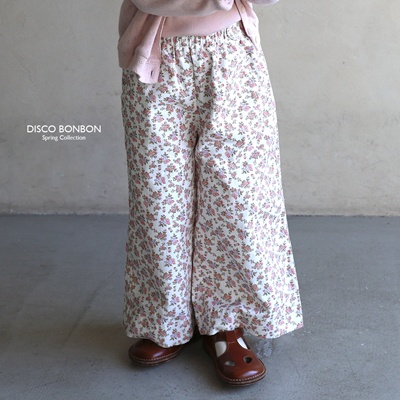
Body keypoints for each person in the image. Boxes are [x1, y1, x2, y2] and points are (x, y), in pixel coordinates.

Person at [118, 0, 303, 386]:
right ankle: (165, 319)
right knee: (159, 200)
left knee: (237, 200)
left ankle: (224, 322)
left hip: (230, 56)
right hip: (155, 62)